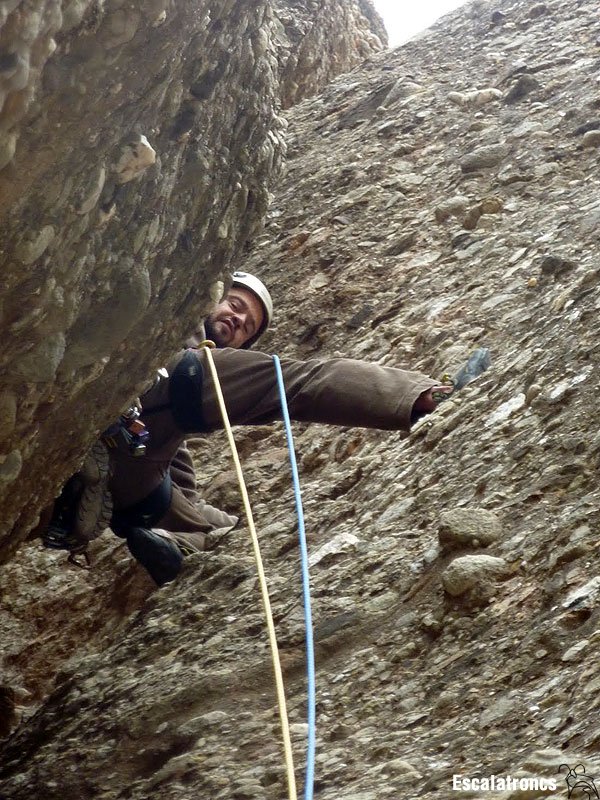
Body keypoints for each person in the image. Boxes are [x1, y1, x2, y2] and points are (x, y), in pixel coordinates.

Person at [106, 274, 452, 585]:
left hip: (129, 441)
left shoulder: (187, 403)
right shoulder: (177, 328)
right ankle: (420, 397)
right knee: (292, 381)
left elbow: (179, 482)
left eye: (246, 326)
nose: (238, 319)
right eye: (236, 305)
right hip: (152, 383)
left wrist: (229, 528)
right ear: (212, 296)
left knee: (163, 496)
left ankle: (185, 544)